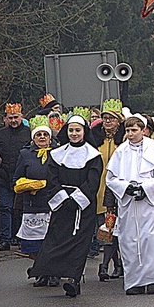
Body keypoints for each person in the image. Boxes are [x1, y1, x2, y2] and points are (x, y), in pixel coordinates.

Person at [29, 113, 103, 297]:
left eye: (78, 130)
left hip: (82, 207)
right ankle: (50, 272)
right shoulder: (57, 154)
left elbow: (93, 181)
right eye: (71, 130)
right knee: (57, 239)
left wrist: (77, 198)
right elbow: (52, 178)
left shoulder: (93, 155)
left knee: (80, 244)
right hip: (62, 205)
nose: (74, 134)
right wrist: (63, 197)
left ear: (84, 132)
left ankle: (73, 280)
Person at [106, 114, 154, 295]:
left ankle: (151, 280)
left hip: (150, 205)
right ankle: (134, 281)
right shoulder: (120, 151)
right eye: (128, 130)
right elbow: (110, 178)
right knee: (129, 241)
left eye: (134, 130)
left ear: (143, 130)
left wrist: (147, 189)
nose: (130, 134)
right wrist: (126, 188)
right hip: (129, 205)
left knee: (150, 241)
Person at [12, 115, 58, 286]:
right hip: (32, 204)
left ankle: (54, 272)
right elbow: (16, 178)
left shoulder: (57, 153)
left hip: (52, 202)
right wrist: (25, 185)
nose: (42, 138)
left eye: (45, 135)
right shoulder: (25, 154)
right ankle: (41, 271)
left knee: (51, 241)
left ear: (49, 137)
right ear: (33, 138)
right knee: (34, 244)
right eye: (38, 135)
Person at [89, 98, 126, 280]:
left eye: (111, 118)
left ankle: (105, 266)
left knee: (115, 228)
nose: (107, 122)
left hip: (117, 191)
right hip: (99, 189)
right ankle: (117, 265)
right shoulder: (95, 139)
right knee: (106, 229)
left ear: (119, 121)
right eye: (104, 118)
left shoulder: (124, 141)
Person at [0, 102, 31, 250]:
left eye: (16, 117)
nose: (13, 121)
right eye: (10, 118)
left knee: (22, 209)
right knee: (5, 208)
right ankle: (5, 239)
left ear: (21, 116)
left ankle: (21, 237)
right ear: (5, 119)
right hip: (3, 177)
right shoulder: (0, 133)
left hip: (23, 178)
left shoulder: (29, 133)